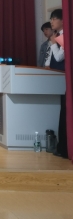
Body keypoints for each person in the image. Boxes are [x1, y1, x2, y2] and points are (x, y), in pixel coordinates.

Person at [46, 9, 67, 158]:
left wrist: (54, 43)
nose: (51, 22)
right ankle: (61, 146)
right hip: (57, 78)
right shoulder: (57, 36)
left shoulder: (65, 36)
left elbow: (60, 57)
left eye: (54, 19)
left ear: (63, 20)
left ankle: (64, 147)